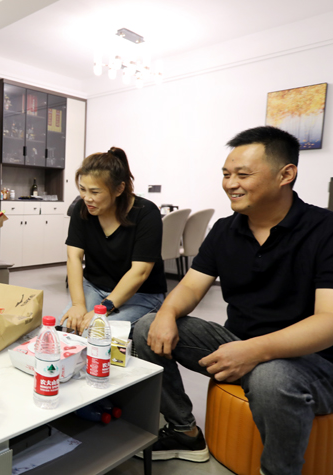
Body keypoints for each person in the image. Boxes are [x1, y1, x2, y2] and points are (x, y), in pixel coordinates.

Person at [134, 126, 333, 473]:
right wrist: (166, 312)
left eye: (243, 174)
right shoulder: (226, 229)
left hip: (311, 361)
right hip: (238, 343)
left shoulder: (324, 229)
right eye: (226, 174)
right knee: (145, 327)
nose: (230, 184)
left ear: (286, 175)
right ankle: (184, 432)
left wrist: (254, 351)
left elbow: (328, 322)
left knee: (271, 378)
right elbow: (191, 288)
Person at [60, 147, 166, 334]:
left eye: (95, 192)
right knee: (68, 327)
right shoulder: (82, 209)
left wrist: (103, 309)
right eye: (82, 189)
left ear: (119, 189)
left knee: (95, 332)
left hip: (140, 294)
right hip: (95, 287)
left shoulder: (146, 213)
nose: (87, 198)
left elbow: (140, 272)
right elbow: (73, 257)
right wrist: (77, 304)